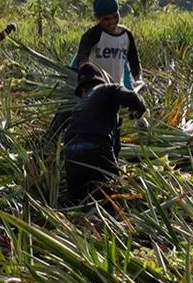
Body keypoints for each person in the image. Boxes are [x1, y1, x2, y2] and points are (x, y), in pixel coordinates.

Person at [62, 63, 147, 204]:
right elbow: (132, 97)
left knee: (77, 202)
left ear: (82, 89)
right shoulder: (108, 88)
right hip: (96, 149)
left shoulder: (79, 105)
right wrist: (140, 108)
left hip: (71, 154)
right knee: (111, 199)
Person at [74, 0, 141, 90]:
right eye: (106, 19)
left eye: (115, 16)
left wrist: (138, 80)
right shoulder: (92, 35)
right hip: (96, 90)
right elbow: (82, 58)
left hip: (117, 88)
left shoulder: (126, 35)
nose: (112, 21)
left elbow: (134, 62)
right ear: (97, 17)